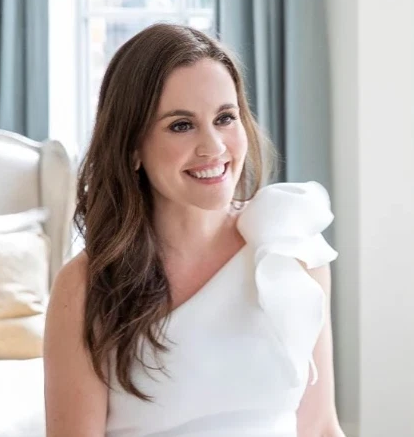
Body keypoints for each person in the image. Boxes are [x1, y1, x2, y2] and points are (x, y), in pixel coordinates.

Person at [44, 23, 346, 437]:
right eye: (181, 125)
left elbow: (319, 426)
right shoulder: (85, 286)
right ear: (132, 146)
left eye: (225, 118)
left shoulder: (290, 246)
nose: (214, 148)